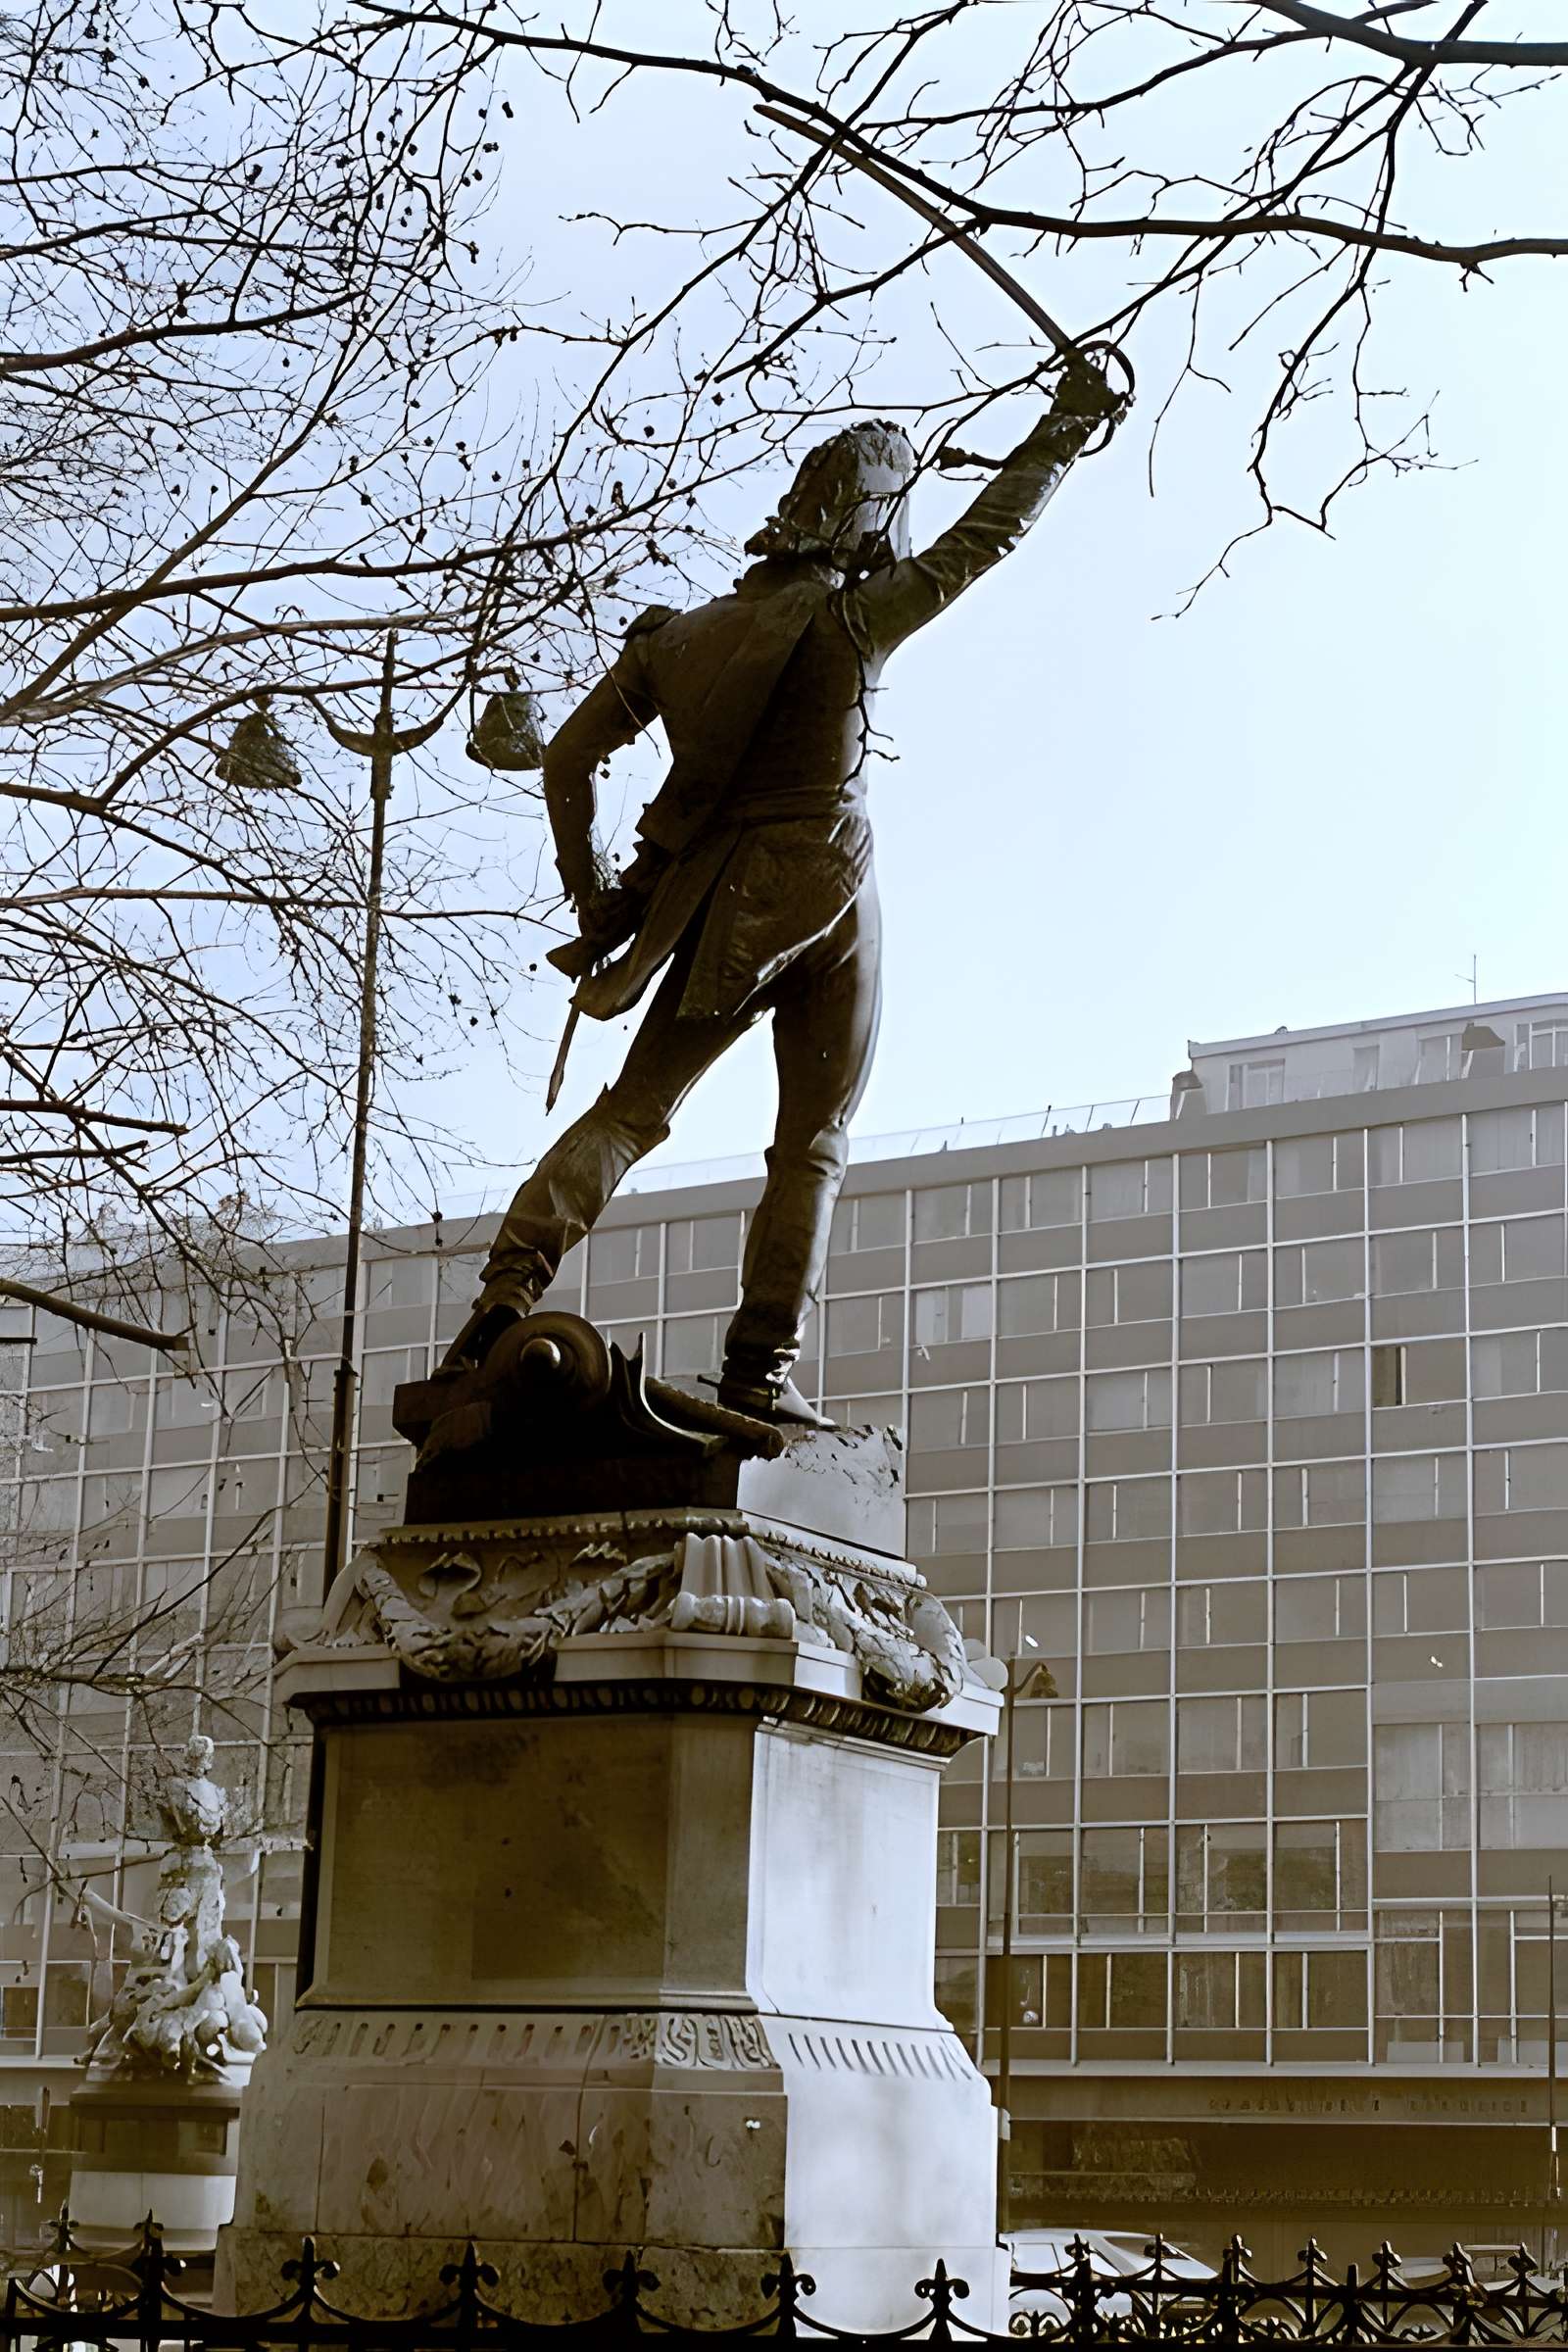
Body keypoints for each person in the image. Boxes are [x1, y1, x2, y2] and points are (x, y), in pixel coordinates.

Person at [447, 352, 1128, 1423]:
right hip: (826, 892)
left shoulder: (673, 641)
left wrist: (594, 898)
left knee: (633, 1109)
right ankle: (759, 1367)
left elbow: (569, 758)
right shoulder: (857, 619)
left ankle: (503, 1295)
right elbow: (987, 536)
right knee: (811, 1141)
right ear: (868, 519)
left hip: (712, 901)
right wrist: (1065, 427)